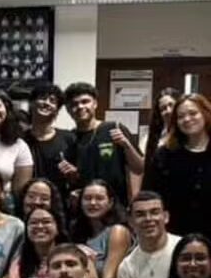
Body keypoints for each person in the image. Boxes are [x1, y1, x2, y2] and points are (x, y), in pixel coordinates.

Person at [62, 82, 144, 207]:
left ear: (95, 103)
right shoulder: (69, 139)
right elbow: (73, 180)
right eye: (74, 104)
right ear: (68, 109)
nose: (80, 106)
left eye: (85, 101)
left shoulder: (114, 128)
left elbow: (139, 168)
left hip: (116, 206)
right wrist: (73, 176)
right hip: (86, 207)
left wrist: (126, 145)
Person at [143, 93, 211, 239]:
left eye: (193, 113)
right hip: (175, 235)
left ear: (205, 114)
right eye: (181, 116)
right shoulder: (164, 155)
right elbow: (150, 195)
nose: (187, 119)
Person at [116, 191, 182, 278]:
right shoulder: (127, 266)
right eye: (140, 214)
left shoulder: (185, 248)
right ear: (130, 221)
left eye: (154, 212)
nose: (148, 219)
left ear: (166, 217)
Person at [70, 179, 133, 278]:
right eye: (87, 198)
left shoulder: (117, 231)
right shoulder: (77, 233)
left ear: (110, 203)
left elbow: (110, 277)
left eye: (99, 198)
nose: (92, 203)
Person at [23, 83, 76, 199]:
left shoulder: (69, 138)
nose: (47, 103)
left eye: (52, 101)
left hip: (60, 202)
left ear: (57, 110)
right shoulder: (19, 140)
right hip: (27, 202)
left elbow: (78, 176)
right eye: (42, 98)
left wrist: (74, 173)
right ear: (31, 103)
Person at [142, 87, 181, 172]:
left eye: (171, 105)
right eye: (163, 108)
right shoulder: (154, 139)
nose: (168, 111)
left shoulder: (191, 133)